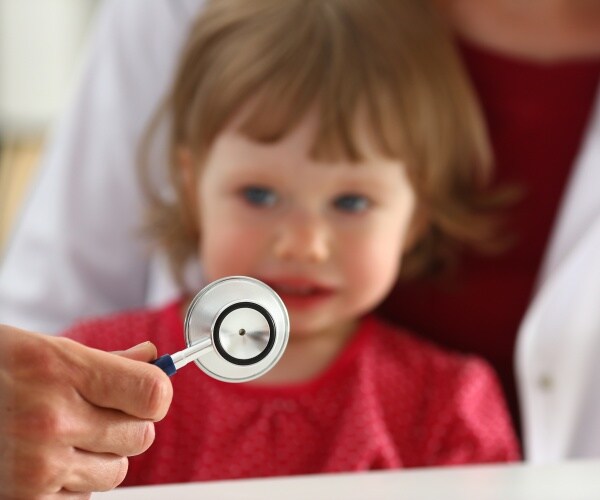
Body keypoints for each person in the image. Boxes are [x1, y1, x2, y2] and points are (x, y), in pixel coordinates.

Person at [0, 0, 598, 463]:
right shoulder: (102, 373)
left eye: (351, 201)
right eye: (259, 195)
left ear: (416, 215)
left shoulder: (450, 410)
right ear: (189, 182)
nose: (304, 243)